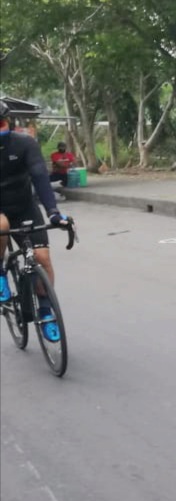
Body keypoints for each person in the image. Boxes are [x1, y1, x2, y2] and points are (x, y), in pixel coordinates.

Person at [0, 99, 72, 341]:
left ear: (7, 121)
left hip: (24, 206)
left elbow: (40, 176)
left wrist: (53, 211)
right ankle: (0, 273)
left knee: (42, 257)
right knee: (1, 225)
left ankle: (45, 309)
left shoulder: (25, 143)